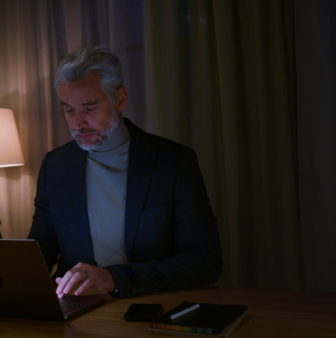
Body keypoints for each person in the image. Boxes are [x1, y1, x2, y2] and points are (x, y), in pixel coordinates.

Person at [28, 46, 222, 299]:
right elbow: (40, 250)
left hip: (150, 303)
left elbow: (205, 261)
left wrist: (114, 278)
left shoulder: (174, 162)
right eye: (69, 110)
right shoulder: (55, 165)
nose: (77, 123)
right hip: (77, 306)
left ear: (120, 99)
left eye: (89, 108)